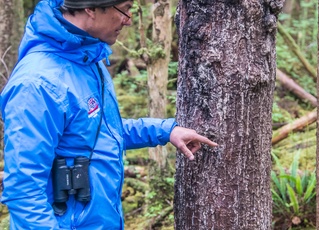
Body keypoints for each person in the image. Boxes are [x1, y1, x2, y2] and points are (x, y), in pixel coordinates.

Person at [0, 0, 217, 229]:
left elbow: (100, 133)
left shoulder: (89, 61)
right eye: (124, 8)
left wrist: (166, 130)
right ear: (90, 8)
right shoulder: (37, 85)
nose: (128, 19)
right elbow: (24, 192)